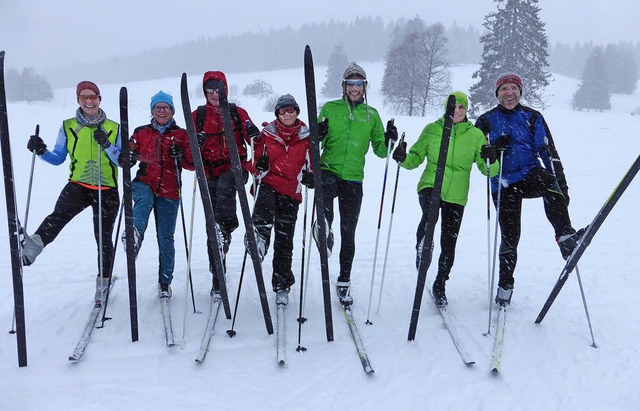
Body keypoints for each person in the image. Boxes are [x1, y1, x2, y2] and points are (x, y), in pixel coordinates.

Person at [475, 73, 583, 306]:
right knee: (511, 237)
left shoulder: (533, 117)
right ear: (497, 93)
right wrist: (492, 152)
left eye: (514, 88)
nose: (509, 92)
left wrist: (561, 185)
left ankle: (564, 235)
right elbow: (480, 160)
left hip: (529, 174)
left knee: (549, 181)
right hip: (503, 182)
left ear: (520, 92)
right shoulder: (485, 121)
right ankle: (505, 285)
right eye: (504, 88)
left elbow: (549, 153)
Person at [392, 91, 500, 306]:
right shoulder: (432, 129)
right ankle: (423, 246)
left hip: (457, 194)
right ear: (446, 108)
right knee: (430, 214)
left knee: (449, 240)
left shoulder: (476, 135)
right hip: (431, 184)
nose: (457, 111)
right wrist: (402, 157)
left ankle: (441, 282)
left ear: (466, 110)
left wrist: (491, 158)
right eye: (453, 107)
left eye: (461, 107)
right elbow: (415, 158)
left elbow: (487, 171)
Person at [23, 81, 121, 304]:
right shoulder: (68, 126)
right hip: (78, 185)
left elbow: (122, 161)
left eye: (93, 97)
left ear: (99, 99)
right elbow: (58, 158)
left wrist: (107, 144)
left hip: (106, 190)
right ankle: (33, 246)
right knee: (57, 217)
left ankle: (104, 281)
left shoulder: (114, 127)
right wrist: (41, 151)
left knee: (103, 236)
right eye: (84, 97)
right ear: (78, 99)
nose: (89, 101)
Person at [316, 62, 397, 305]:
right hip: (327, 168)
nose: (354, 88)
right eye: (350, 83)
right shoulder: (330, 108)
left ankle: (344, 279)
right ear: (344, 86)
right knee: (327, 207)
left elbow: (381, 152)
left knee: (349, 233)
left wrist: (389, 139)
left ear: (364, 87)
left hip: (353, 177)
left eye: (358, 84)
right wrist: (318, 133)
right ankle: (323, 228)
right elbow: (315, 143)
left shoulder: (371, 115)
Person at [191, 71, 259, 293]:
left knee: (224, 191)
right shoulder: (198, 116)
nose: (213, 94)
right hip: (209, 172)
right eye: (209, 89)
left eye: (217, 88)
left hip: (235, 169)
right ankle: (217, 275)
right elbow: (188, 157)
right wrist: (196, 143)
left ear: (225, 89)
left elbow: (257, 145)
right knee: (212, 223)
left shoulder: (237, 113)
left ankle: (226, 229)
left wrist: (253, 134)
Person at [246, 94, 313, 305]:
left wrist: (311, 176)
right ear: (277, 114)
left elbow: (311, 166)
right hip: (268, 184)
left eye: (290, 110)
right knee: (264, 207)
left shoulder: (306, 136)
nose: (287, 114)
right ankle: (259, 238)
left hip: (291, 192)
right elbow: (253, 164)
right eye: (283, 111)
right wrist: (260, 165)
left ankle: (282, 283)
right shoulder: (266, 134)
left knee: (285, 240)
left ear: (296, 112)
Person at [128, 91, 194, 299]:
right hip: (144, 182)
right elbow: (127, 158)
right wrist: (127, 156)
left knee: (166, 238)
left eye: (166, 108)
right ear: (152, 111)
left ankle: (165, 282)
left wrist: (182, 155)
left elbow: (192, 164)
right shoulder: (141, 132)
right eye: (158, 108)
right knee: (144, 200)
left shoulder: (182, 135)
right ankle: (134, 235)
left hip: (170, 190)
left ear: (172, 110)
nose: (162, 111)